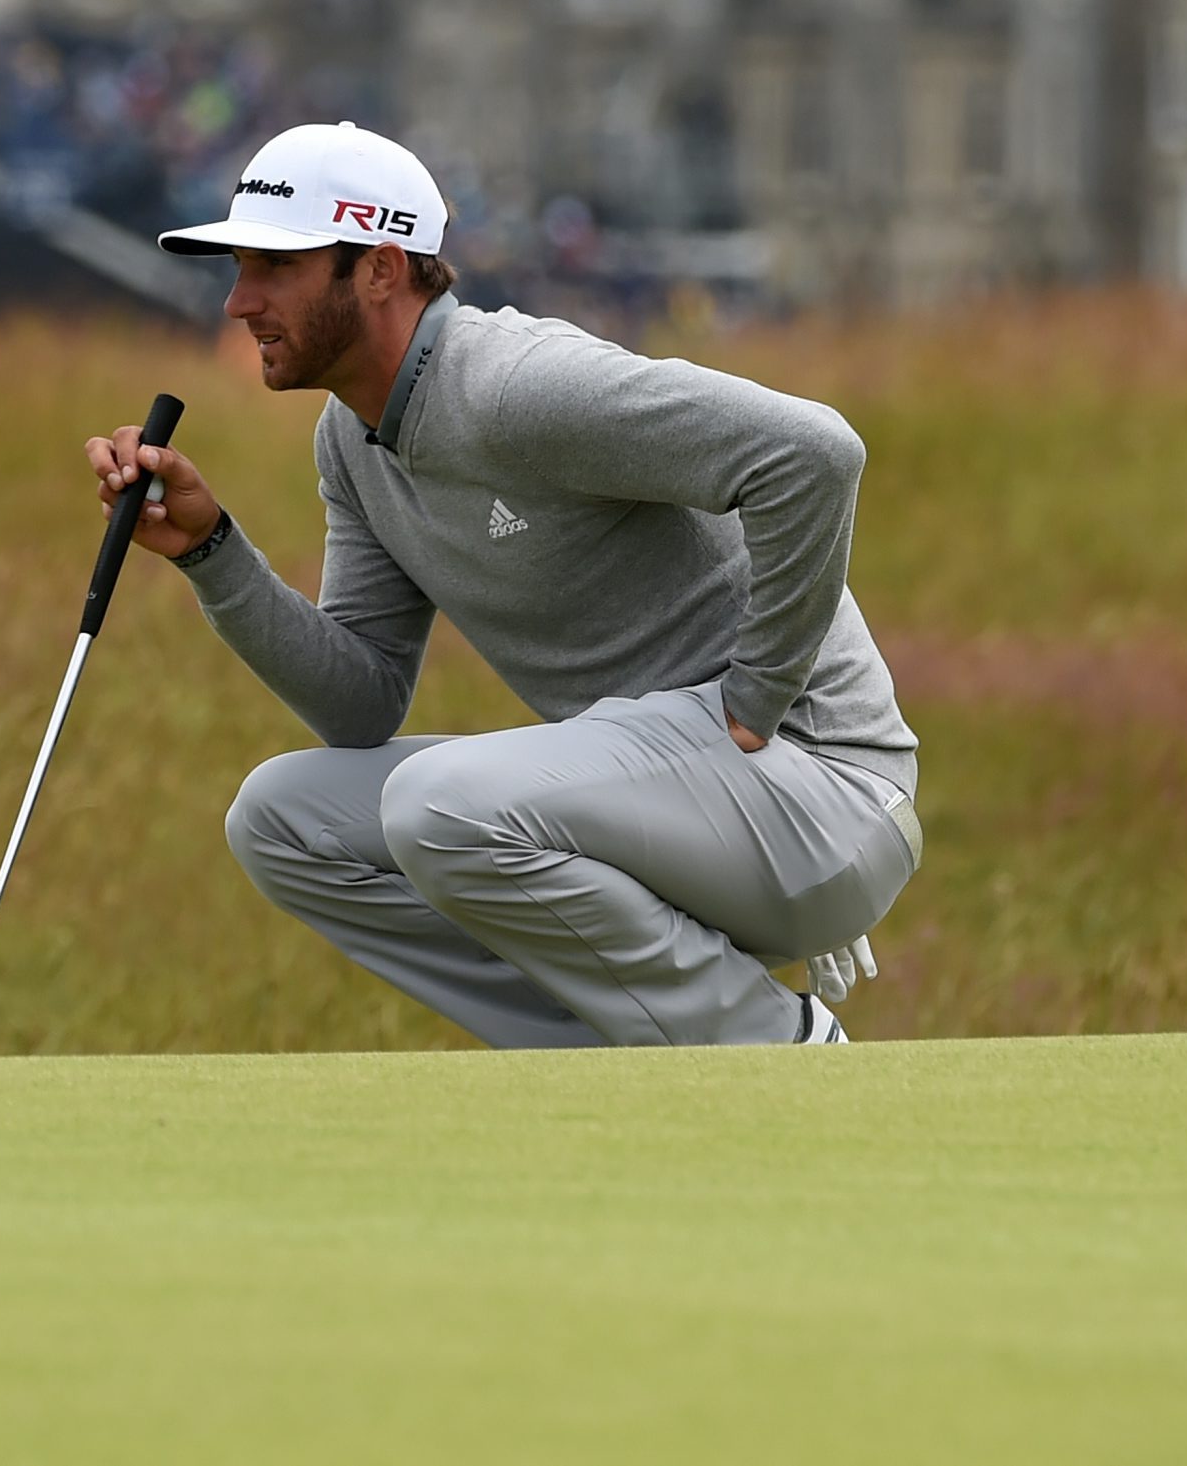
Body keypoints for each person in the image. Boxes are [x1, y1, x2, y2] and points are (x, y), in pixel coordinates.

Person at [85, 121, 919, 1047]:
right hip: (670, 809)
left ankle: (773, 1045)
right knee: (281, 820)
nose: (240, 301)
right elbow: (361, 703)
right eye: (239, 267)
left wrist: (759, 697)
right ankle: (608, 1048)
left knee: (435, 804)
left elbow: (814, 454)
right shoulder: (351, 440)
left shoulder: (517, 384)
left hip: (819, 792)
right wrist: (212, 551)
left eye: (275, 267)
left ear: (380, 267)